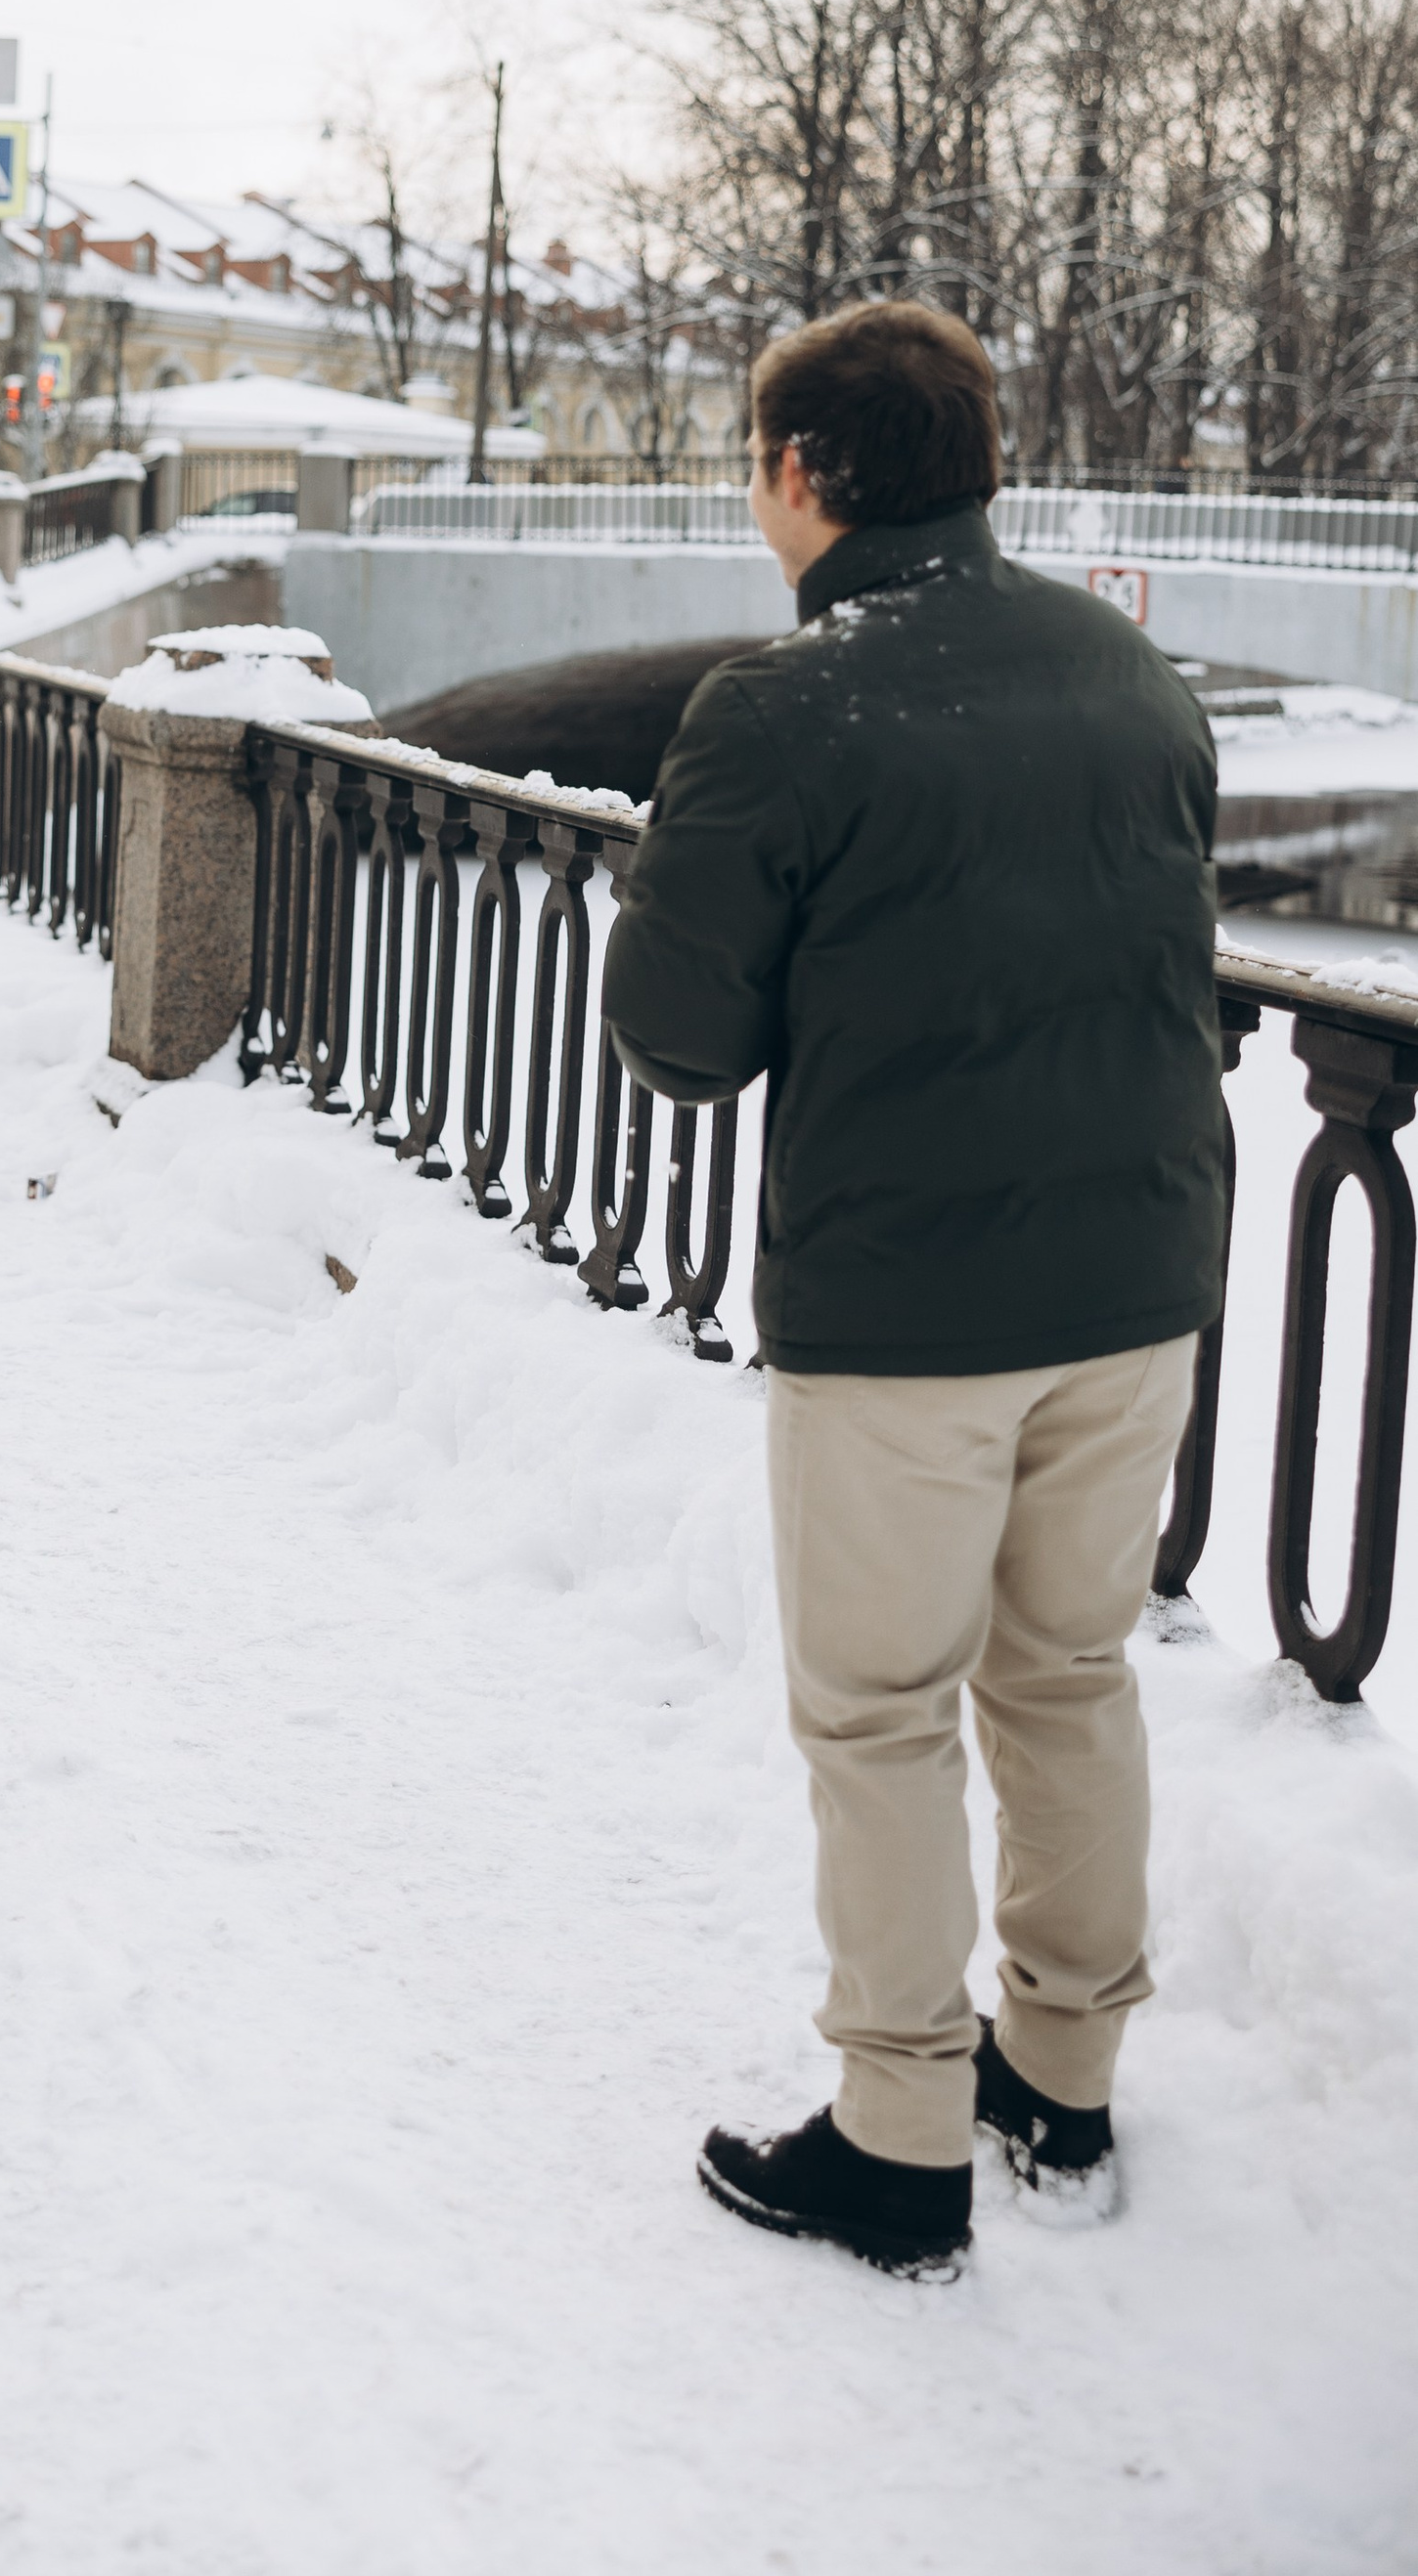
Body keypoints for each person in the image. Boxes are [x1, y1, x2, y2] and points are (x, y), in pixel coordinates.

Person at [601, 301, 1222, 2279]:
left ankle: (893, 2137)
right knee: (1065, 1676)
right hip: (1135, 1273)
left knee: (876, 1715)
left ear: (797, 473)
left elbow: (676, 1042)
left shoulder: (782, 706)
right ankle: (1058, 2072)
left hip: (906, 1304)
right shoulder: (1128, 670)